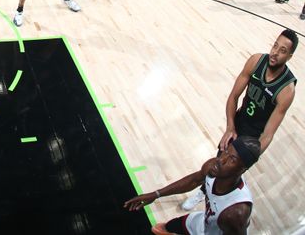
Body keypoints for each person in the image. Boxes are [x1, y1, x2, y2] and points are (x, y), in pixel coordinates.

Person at [181, 30, 297, 210]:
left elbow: (268, 134)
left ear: (289, 56)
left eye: (282, 50)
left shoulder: (286, 90)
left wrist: (249, 158)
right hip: (239, 122)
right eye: (275, 45)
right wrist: (230, 127)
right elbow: (234, 96)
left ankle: (219, 202)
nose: (275, 52)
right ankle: (204, 190)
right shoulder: (256, 61)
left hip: (252, 137)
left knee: (231, 173)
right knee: (219, 160)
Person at [124, 136, 260, 235]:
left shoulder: (234, 214)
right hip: (202, 222)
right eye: (226, 152)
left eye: (232, 159)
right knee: (165, 228)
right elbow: (193, 181)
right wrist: (156, 194)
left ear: (243, 169)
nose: (221, 160)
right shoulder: (213, 167)